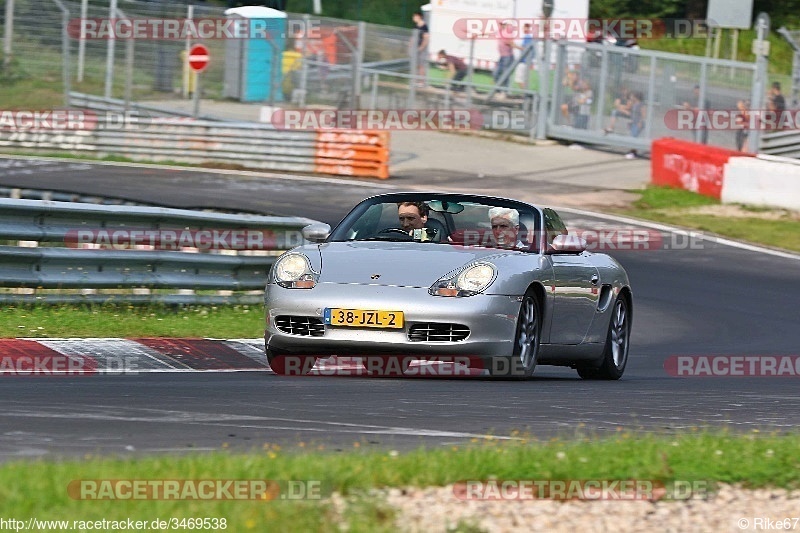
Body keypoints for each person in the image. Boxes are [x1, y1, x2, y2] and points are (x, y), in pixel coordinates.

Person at [494, 22, 518, 98]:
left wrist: (521, 48)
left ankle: (504, 92)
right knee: (496, 73)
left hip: (508, 57)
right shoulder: (499, 32)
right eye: (500, 24)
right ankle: (500, 90)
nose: (500, 25)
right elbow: (489, 33)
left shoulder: (507, 33)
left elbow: (511, 43)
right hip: (502, 57)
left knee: (505, 74)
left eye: (502, 24)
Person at [514, 23, 535, 90]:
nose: (524, 29)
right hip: (526, 62)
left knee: (519, 79)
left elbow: (525, 49)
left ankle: (526, 94)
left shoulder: (527, 37)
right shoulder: (528, 38)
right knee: (524, 80)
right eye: (523, 27)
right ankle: (526, 94)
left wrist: (515, 46)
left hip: (523, 61)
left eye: (525, 28)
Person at [411, 12, 430, 87]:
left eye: (414, 16)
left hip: (421, 49)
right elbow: (413, 37)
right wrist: (411, 45)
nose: (413, 18)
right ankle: (415, 80)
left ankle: (422, 82)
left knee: (421, 65)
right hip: (416, 48)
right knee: (416, 65)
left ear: (419, 17)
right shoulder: (416, 26)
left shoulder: (424, 26)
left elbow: (426, 38)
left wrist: (422, 47)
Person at [626, 91, 646, 159]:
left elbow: (643, 115)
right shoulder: (634, 104)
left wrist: (640, 122)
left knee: (634, 136)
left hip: (638, 123)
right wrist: (631, 122)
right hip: (634, 122)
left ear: (636, 97)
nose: (632, 97)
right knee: (632, 136)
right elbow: (632, 114)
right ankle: (633, 152)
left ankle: (633, 153)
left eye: (633, 96)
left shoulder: (641, 105)